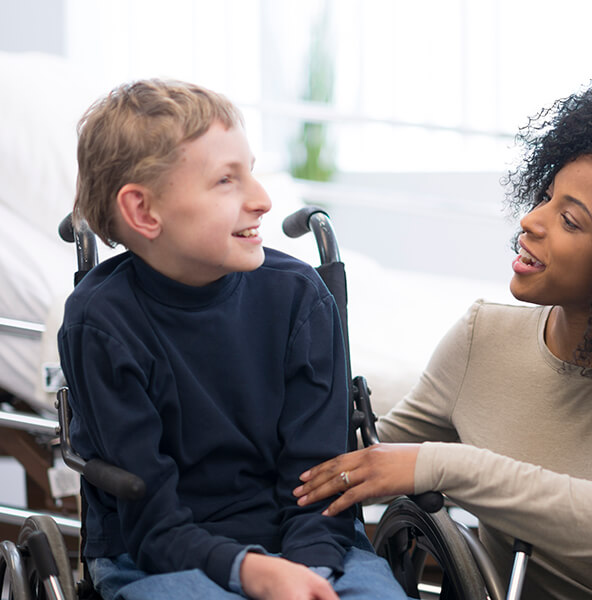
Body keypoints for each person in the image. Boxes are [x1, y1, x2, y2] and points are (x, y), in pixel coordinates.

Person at [293, 79, 592, 599]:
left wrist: (446, 464)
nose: (530, 221)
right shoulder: (481, 338)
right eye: (546, 197)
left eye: (570, 219)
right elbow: (370, 454)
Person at [58, 79, 410, 600]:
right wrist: (251, 573)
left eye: (253, 171)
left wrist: (308, 572)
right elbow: (152, 522)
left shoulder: (298, 298)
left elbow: (317, 478)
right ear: (143, 212)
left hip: (312, 543)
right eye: (227, 180)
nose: (263, 200)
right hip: (156, 556)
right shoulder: (102, 323)